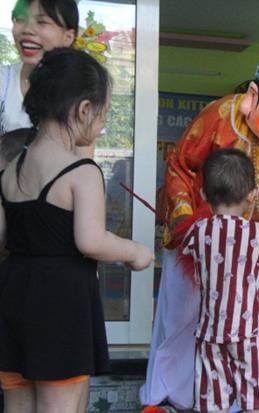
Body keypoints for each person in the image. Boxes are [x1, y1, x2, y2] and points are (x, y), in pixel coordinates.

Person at [141, 50, 259, 411]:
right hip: (196, 241)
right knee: (182, 319)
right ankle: (165, 394)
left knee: (243, 332)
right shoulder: (221, 115)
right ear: (252, 97)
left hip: (249, 249)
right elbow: (181, 165)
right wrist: (186, 222)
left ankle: (225, 402)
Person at [0, 47, 154, 413]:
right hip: (60, 303)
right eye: (103, 114)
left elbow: (2, 239)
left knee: (17, 403)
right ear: (83, 110)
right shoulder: (81, 172)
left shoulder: (9, 170)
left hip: (12, 293)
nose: (102, 124)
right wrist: (135, 252)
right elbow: (91, 240)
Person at [177, 148, 259, 413]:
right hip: (249, 333)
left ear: (202, 195)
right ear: (251, 195)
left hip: (211, 333)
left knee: (211, 400)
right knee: (255, 398)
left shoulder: (198, 231)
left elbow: (190, 257)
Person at [0, 0, 78, 136]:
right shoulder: (3, 79)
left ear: (68, 37)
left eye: (42, 22)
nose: (27, 30)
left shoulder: (83, 87)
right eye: (20, 19)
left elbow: (82, 155)